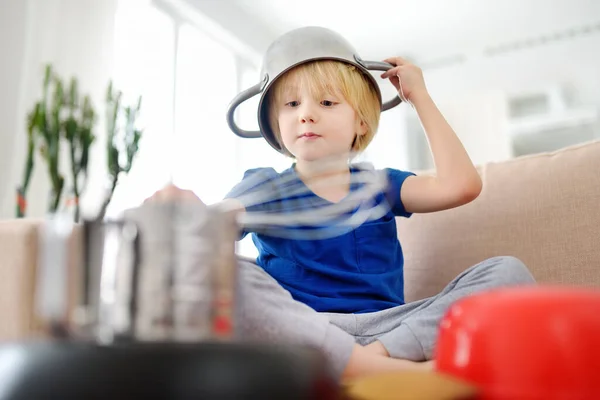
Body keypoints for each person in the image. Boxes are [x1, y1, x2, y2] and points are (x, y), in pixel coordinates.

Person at [146, 55, 535, 381]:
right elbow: (218, 225)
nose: (307, 116)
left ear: (361, 123)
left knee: (509, 272)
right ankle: (387, 370)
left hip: (392, 328)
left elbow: (461, 185)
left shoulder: (380, 184)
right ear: (277, 127)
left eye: (327, 103)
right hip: (306, 332)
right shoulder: (265, 186)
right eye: (292, 105)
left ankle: (376, 363)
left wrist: (420, 98)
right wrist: (190, 214)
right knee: (227, 271)